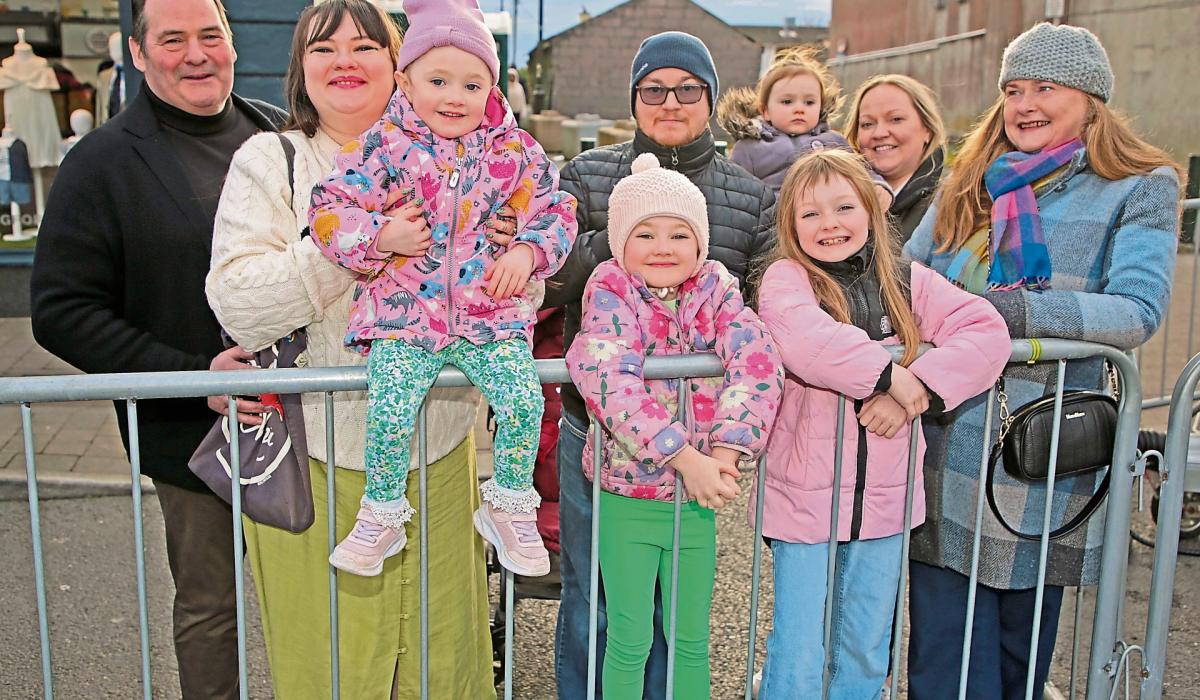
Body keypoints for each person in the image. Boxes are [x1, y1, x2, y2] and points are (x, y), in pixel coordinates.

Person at [206, 1, 498, 696]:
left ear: (399, 64)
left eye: (365, 45)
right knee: (328, 667)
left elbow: (518, 281)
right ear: (298, 69)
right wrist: (362, 244)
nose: (344, 60)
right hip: (321, 454)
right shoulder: (271, 160)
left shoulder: (462, 154)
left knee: (444, 663)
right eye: (323, 47)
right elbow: (240, 301)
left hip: (440, 449)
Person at [903, 23, 1183, 699]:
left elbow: (1137, 309)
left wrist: (1011, 314)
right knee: (942, 656)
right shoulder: (967, 182)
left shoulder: (1141, 185)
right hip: (945, 443)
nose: (1024, 103)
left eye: (1045, 88)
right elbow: (904, 281)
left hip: (1042, 454)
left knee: (1018, 657)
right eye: (1013, 89)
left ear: (1090, 99)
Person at [28, 0, 285, 697]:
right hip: (195, 436)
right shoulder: (102, 163)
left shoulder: (277, 133)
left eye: (211, 36)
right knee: (211, 609)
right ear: (139, 54)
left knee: (332, 592)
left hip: (310, 423)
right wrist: (189, 375)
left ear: (233, 45)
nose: (197, 54)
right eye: (173, 40)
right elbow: (60, 311)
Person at [544, 30, 777, 699]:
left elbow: (758, 323)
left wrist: (734, 441)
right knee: (596, 599)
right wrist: (617, 252)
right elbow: (550, 279)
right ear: (634, 98)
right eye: (654, 89)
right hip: (605, 435)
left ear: (708, 97)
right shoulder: (589, 176)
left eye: (686, 89)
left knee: (681, 619)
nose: (669, 102)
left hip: (702, 444)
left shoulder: (748, 194)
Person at [308, 0, 575, 579]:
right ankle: (380, 513)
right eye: (437, 80)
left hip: (488, 318)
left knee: (524, 400)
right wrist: (382, 236)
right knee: (389, 406)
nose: (454, 97)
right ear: (405, 81)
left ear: (492, 87)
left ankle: (508, 505)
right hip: (406, 316)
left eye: (471, 83)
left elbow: (558, 210)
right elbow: (328, 209)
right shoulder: (381, 147)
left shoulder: (514, 153)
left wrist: (529, 252)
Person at [752, 149, 1008, 698]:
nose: (830, 224)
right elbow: (807, 340)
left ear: (871, 210)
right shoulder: (785, 278)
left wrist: (917, 392)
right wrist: (894, 377)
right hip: (805, 500)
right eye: (810, 213)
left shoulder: (907, 279)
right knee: (799, 644)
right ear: (790, 226)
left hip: (888, 503)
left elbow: (987, 332)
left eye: (844, 207)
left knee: (867, 644)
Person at [715, 46, 891, 205]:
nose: (799, 109)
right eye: (787, 101)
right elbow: (732, 193)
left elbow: (862, 173)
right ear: (765, 110)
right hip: (775, 226)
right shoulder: (750, 147)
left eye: (809, 102)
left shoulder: (834, 142)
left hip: (831, 223)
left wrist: (878, 186)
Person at [845, 74, 946, 243]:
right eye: (867, 124)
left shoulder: (949, 205)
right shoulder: (839, 199)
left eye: (896, 119)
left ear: (927, 129)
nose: (880, 133)